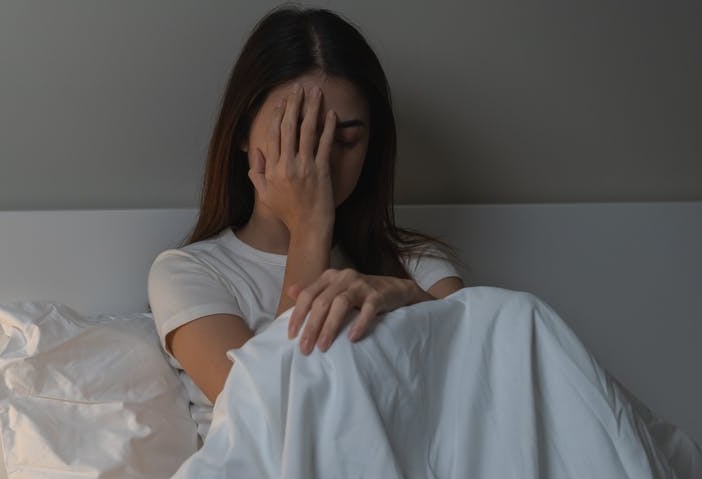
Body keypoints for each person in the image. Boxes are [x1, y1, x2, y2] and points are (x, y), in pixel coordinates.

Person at [147, 5, 468, 440]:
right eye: (298, 133)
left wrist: (409, 297)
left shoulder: (416, 266)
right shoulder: (189, 274)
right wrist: (310, 225)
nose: (321, 160)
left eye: (347, 139)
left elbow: (481, 394)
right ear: (243, 134)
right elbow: (272, 421)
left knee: (524, 317)